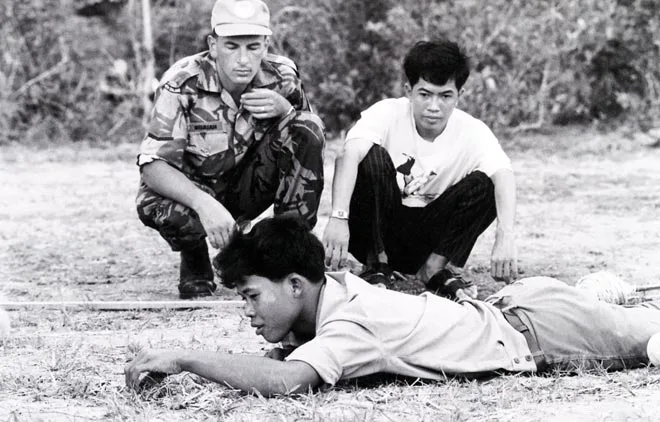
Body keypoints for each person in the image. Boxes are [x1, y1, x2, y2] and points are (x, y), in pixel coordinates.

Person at [125, 215, 660, 397]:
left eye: (250, 295)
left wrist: (185, 359)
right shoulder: (327, 294)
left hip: (542, 330)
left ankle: (606, 301)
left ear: (294, 284)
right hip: (520, 308)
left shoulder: (352, 322)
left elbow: (287, 382)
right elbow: (280, 362)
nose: (246, 311)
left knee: (653, 341)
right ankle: (603, 295)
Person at [135, 0, 325, 299]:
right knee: (158, 207)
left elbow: (308, 140)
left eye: (252, 47)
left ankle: (288, 255)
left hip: (246, 187)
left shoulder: (283, 76)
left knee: (305, 125)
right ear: (213, 45)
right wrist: (204, 204)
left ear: (266, 45)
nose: (243, 59)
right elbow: (152, 166)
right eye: (231, 46)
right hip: (194, 192)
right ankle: (195, 256)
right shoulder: (183, 81)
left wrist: (286, 110)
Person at [322, 39, 516, 299]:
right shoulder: (386, 114)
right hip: (375, 228)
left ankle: (433, 270)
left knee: (487, 184)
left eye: (445, 96)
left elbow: (504, 174)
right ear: (409, 90)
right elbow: (348, 155)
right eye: (425, 94)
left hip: (427, 236)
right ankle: (377, 264)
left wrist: (506, 236)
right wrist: (338, 217)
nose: (434, 107)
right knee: (371, 157)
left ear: (460, 95)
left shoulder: (472, 131)